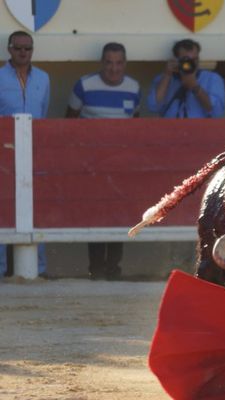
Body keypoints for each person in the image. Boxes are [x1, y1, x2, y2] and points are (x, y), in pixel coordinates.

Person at [65, 42, 141, 280]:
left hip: (121, 165)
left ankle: (113, 269)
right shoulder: (84, 85)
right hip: (93, 164)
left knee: (119, 216)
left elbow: (135, 123)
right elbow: (70, 122)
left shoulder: (133, 87)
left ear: (125, 64)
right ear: (101, 63)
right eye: (109, 62)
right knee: (96, 214)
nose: (113, 68)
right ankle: (96, 269)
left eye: (118, 63)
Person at [0, 31, 49, 278]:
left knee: (36, 211)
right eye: (18, 48)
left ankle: (38, 270)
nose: (23, 52)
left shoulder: (43, 78)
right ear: (9, 50)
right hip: (3, 154)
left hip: (34, 153)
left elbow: (43, 114)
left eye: (27, 48)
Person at [148, 39, 225, 118]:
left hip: (200, 128)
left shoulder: (212, 78)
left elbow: (217, 111)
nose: (191, 63)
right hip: (170, 128)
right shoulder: (164, 78)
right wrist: (167, 75)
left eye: (195, 59)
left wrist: (195, 86)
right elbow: (153, 107)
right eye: (186, 60)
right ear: (176, 59)